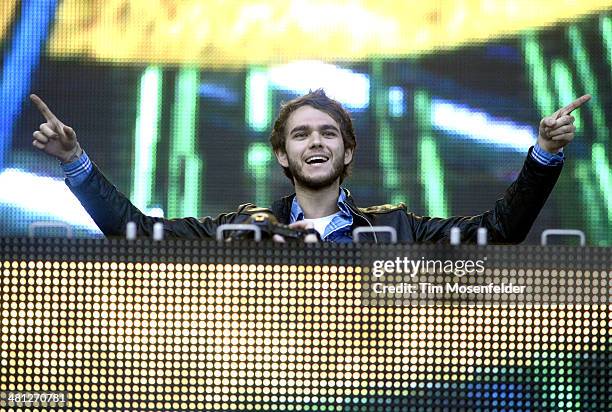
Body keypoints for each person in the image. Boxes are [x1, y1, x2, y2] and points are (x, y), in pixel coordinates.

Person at [29, 90, 591, 243]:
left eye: (328, 133)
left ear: (347, 152)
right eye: (301, 134)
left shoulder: (396, 227)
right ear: (283, 155)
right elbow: (139, 234)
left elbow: (501, 231)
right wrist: (76, 162)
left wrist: (544, 151)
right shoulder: (244, 229)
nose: (315, 142)